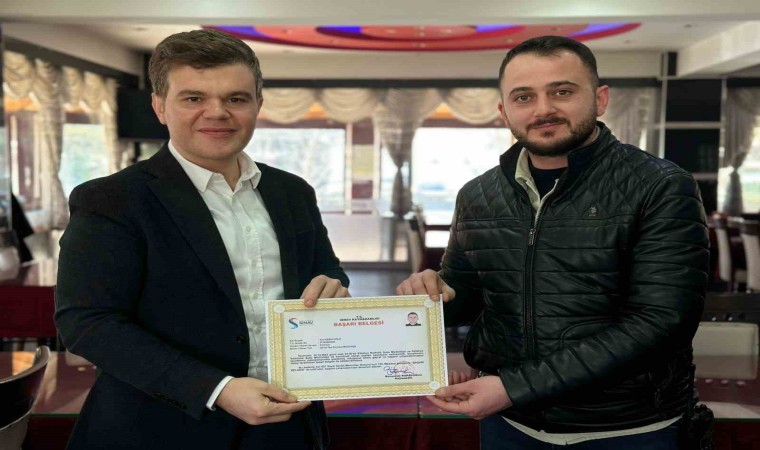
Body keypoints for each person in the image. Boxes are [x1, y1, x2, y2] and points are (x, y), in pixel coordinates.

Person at [396, 35, 708, 449]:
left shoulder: (660, 185)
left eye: (562, 91)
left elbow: (661, 323)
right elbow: (468, 297)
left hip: (628, 429)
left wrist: (514, 387)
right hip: (511, 425)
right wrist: (433, 293)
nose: (542, 109)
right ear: (504, 111)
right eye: (524, 97)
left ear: (600, 99)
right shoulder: (478, 194)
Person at [55, 29, 349, 450]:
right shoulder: (111, 199)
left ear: (258, 104)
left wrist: (332, 285)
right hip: (160, 429)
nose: (218, 113)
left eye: (236, 98)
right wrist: (218, 389)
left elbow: (327, 271)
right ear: (159, 106)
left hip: (287, 424)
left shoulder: (293, 192)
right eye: (194, 98)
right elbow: (88, 323)